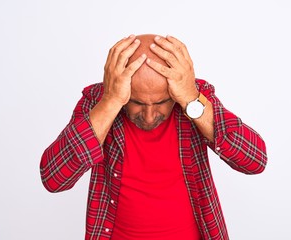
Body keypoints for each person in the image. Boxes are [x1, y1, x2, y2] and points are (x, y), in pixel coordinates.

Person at [40, 34, 267, 240]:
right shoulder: (99, 102)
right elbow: (54, 179)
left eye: (160, 103)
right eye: (136, 103)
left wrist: (190, 98)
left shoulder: (194, 98)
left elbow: (255, 161)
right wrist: (111, 101)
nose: (149, 117)